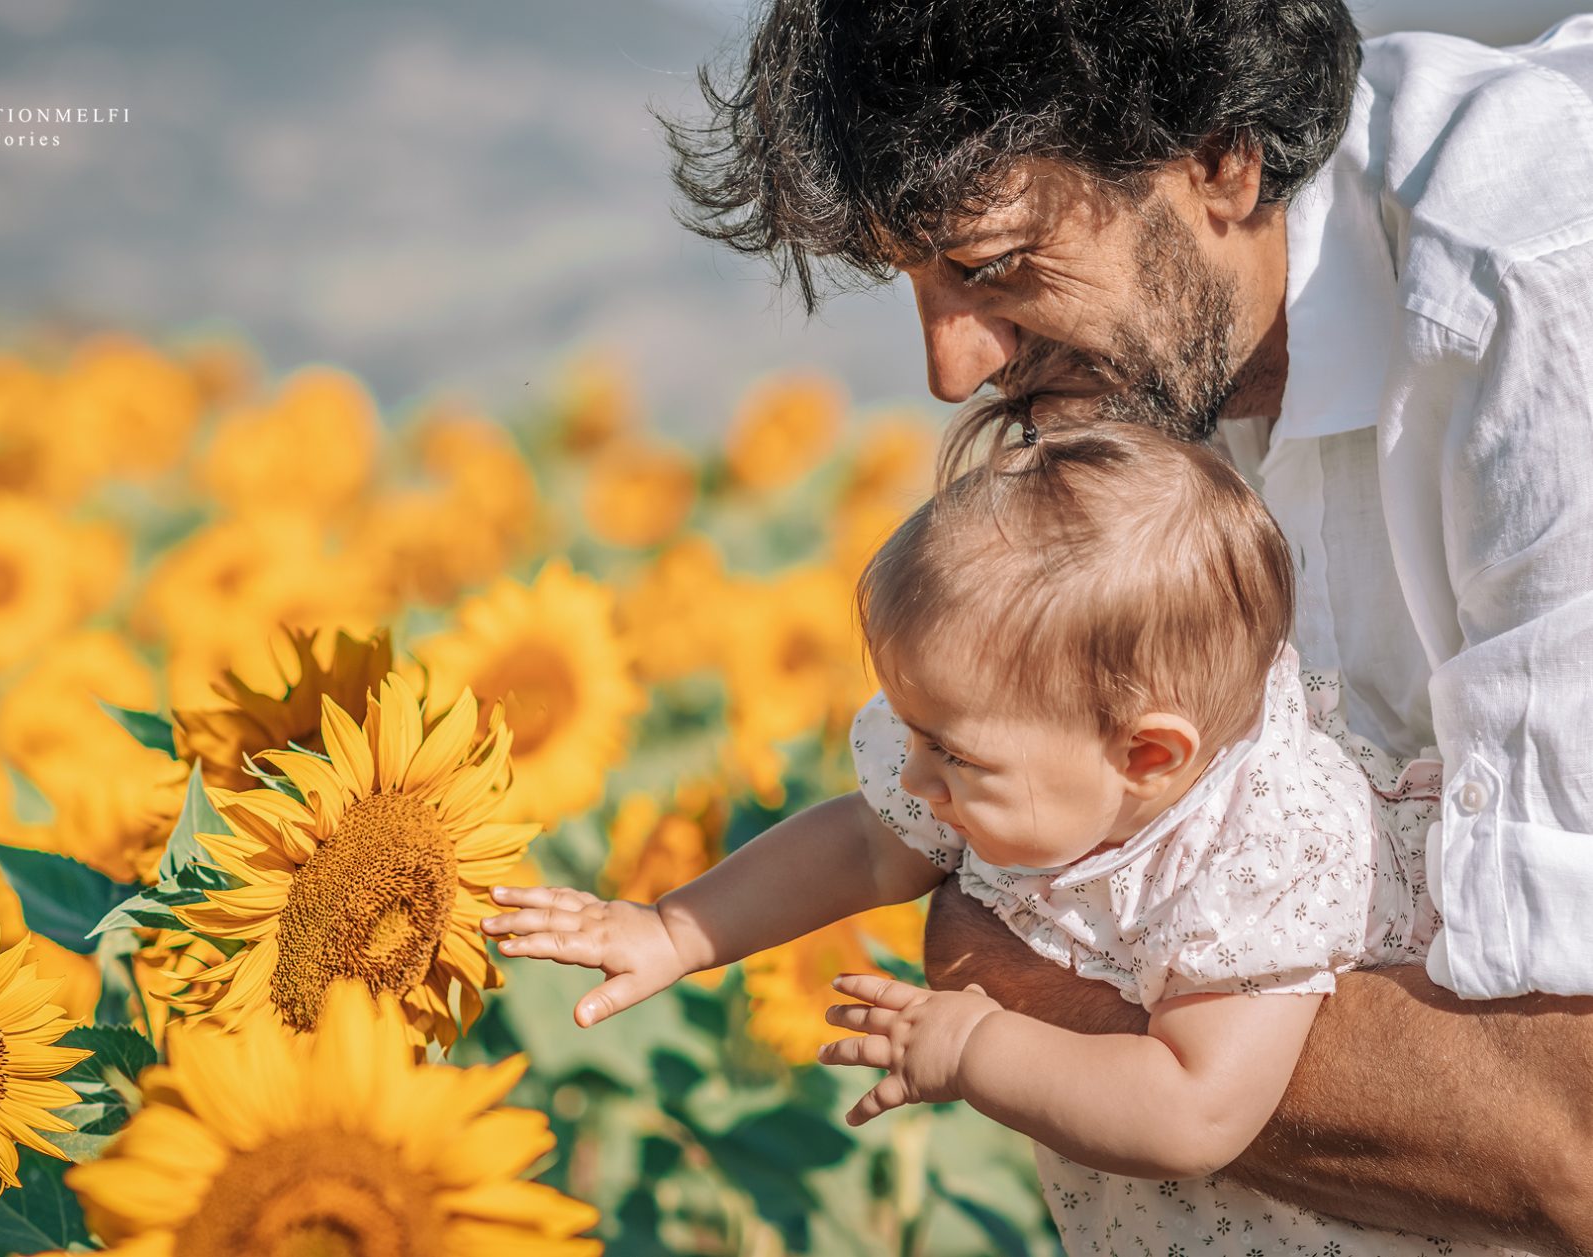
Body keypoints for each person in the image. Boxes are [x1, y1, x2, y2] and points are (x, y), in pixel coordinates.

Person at [649, 1, 1593, 1250]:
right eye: (917, 284)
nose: (949, 366)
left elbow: (1568, 1141)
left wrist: (1001, 965)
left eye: (989, 265)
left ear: (1220, 157)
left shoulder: (1530, 308)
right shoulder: (1157, 378)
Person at [487, 410, 1512, 1255]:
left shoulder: (1261, 849)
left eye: (952, 756)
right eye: (916, 738)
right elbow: (862, 842)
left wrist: (977, 1044)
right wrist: (673, 931)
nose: (916, 781)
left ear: (1146, 756)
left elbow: (1195, 1112)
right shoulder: (1045, 770)